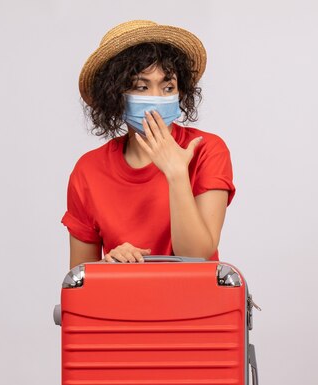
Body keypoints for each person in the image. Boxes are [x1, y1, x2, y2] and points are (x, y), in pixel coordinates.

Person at [62, 20, 236, 269]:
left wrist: (176, 174)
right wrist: (108, 264)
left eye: (168, 87)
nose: (156, 97)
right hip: (120, 306)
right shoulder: (88, 170)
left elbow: (197, 256)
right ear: (114, 96)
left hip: (195, 306)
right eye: (141, 87)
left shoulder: (207, 149)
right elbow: (79, 284)